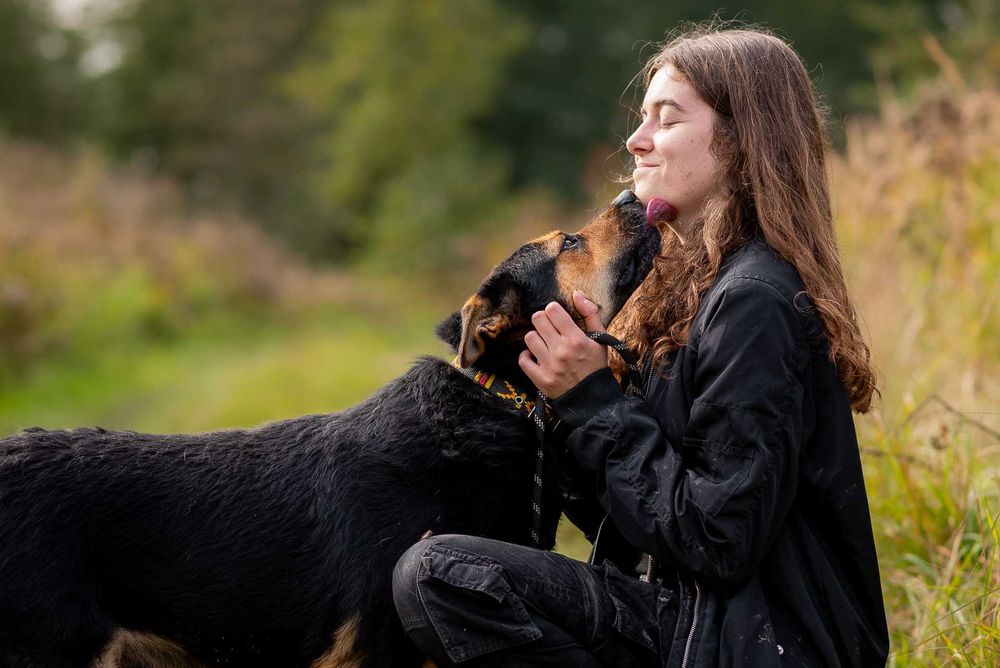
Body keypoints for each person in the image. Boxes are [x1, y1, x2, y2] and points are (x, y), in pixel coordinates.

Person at [392, 25, 889, 667]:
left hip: (755, 644)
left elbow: (719, 539)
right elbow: (635, 520)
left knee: (442, 574)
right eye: (642, 115)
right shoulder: (694, 288)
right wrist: (561, 401)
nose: (636, 139)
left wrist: (595, 401)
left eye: (667, 118)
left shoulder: (754, 303)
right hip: (699, 622)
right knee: (442, 560)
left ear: (741, 143)